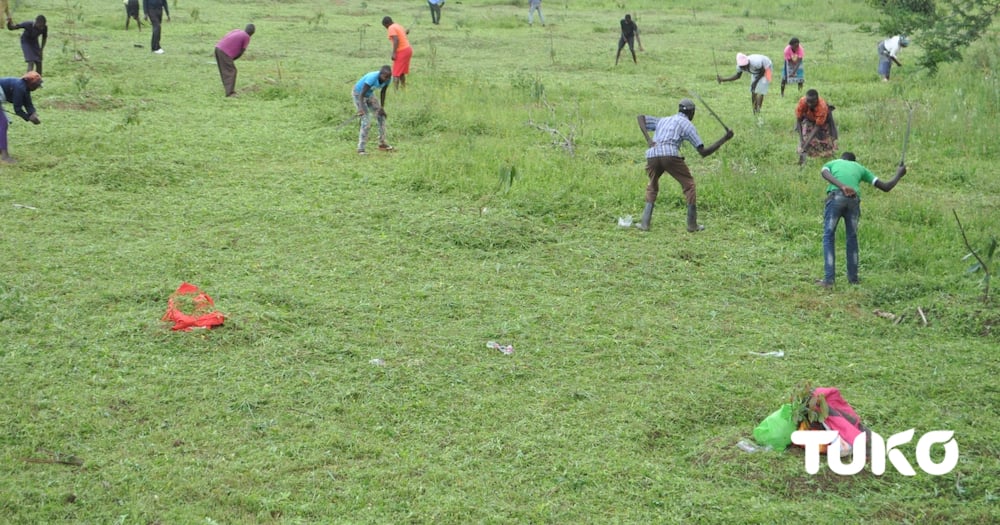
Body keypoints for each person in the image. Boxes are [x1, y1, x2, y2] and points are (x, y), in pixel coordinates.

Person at [635, 99, 735, 232]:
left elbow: (640, 118)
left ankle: (645, 224)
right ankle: (692, 225)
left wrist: (649, 139)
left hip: (652, 155)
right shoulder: (687, 125)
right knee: (689, 185)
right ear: (692, 113)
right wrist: (725, 138)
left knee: (652, 185)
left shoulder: (664, 120)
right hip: (669, 155)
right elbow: (703, 152)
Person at [818, 152, 906, 287]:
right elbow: (886, 187)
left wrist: (842, 186)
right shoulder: (860, 168)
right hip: (853, 200)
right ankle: (853, 279)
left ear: (842, 158)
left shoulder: (834, 163)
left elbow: (824, 173)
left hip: (836, 197)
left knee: (829, 236)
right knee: (851, 238)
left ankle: (829, 280)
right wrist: (899, 174)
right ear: (854, 161)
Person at [0, 72, 43, 164]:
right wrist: (28, 118)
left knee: (2, 124)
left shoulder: (24, 87)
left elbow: (28, 102)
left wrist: (33, 113)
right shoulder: (20, 87)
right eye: (36, 85)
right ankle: (5, 156)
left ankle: (1, 149)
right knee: (3, 124)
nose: (37, 88)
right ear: (31, 84)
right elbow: (18, 109)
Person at [353, 65, 394, 155]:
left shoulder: (388, 79)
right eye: (385, 77)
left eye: (389, 77)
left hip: (369, 95)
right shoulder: (372, 78)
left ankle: (382, 143)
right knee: (366, 121)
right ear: (380, 74)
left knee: (381, 116)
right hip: (359, 94)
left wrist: (382, 108)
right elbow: (361, 94)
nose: (386, 79)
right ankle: (361, 149)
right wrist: (361, 109)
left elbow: (383, 92)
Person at [795, 89, 837, 164]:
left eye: (812, 102)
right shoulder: (802, 102)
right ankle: (804, 154)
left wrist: (806, 144)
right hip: (808, 118)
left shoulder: (822, 106)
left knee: (824, 140)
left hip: (823, 120)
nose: (810, 104)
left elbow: (817, 127)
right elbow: (798, 120)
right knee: (805, 138)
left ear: (817, 100)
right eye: (808, 102)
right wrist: (802, 140)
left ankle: (824, 153)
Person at [215, 24, 256, 97]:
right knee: (231, 71)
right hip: (225, 52)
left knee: (225, 70)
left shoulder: (237, 30)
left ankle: (227, 89)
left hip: (218, 48)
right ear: (252, 33)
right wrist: (233, 58)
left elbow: (225, 37)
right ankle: (230, 93)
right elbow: (241, 51)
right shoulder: (246, 37)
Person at [382, 17, 412, 90]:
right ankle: (403, 89)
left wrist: (394, 53)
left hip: (402, 51)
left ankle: (396, 92)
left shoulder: (391, 28)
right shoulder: (398, 25)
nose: (386, 28)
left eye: (385, 26)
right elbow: (401, 35)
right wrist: (405, 33)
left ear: (387, 24)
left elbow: (396, 39)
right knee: (401, 72)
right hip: (408, 49)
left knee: (396, 73)